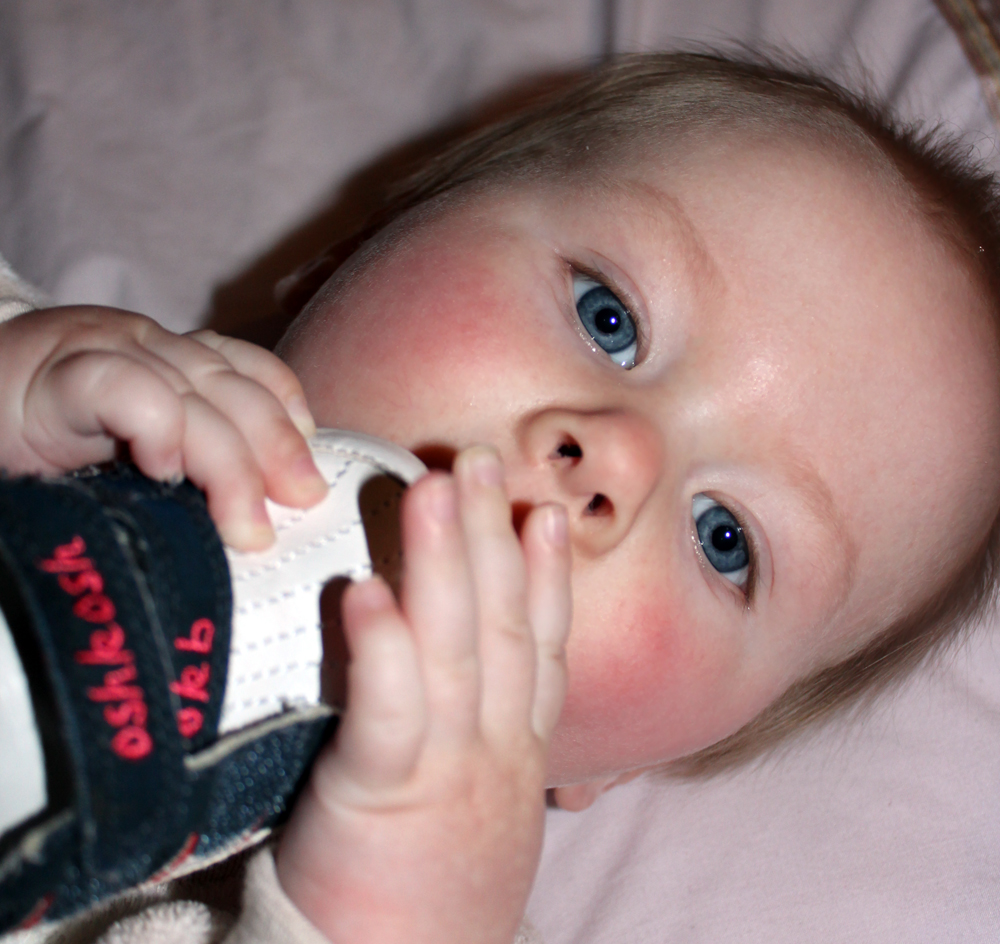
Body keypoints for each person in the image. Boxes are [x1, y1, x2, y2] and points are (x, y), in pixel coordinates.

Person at [2, 52, 1000, 943]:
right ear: (344, 257)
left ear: (610, 765)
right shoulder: (65, 379)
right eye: (606, 318)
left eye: (724, 537)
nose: (615, 459)